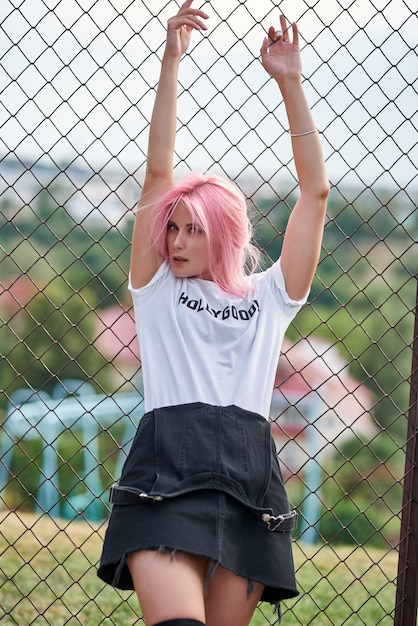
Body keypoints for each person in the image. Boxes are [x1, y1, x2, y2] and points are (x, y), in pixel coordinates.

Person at [97, 2, 329, 625]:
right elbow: (157, 172)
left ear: (223, 236)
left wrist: (291, 82)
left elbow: (314, 194)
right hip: (167, 471)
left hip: (249, 478)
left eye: (190, 230)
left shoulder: (269, 296)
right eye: (169, 227)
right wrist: (171, 63)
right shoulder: (157, 291)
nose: (173, 241)